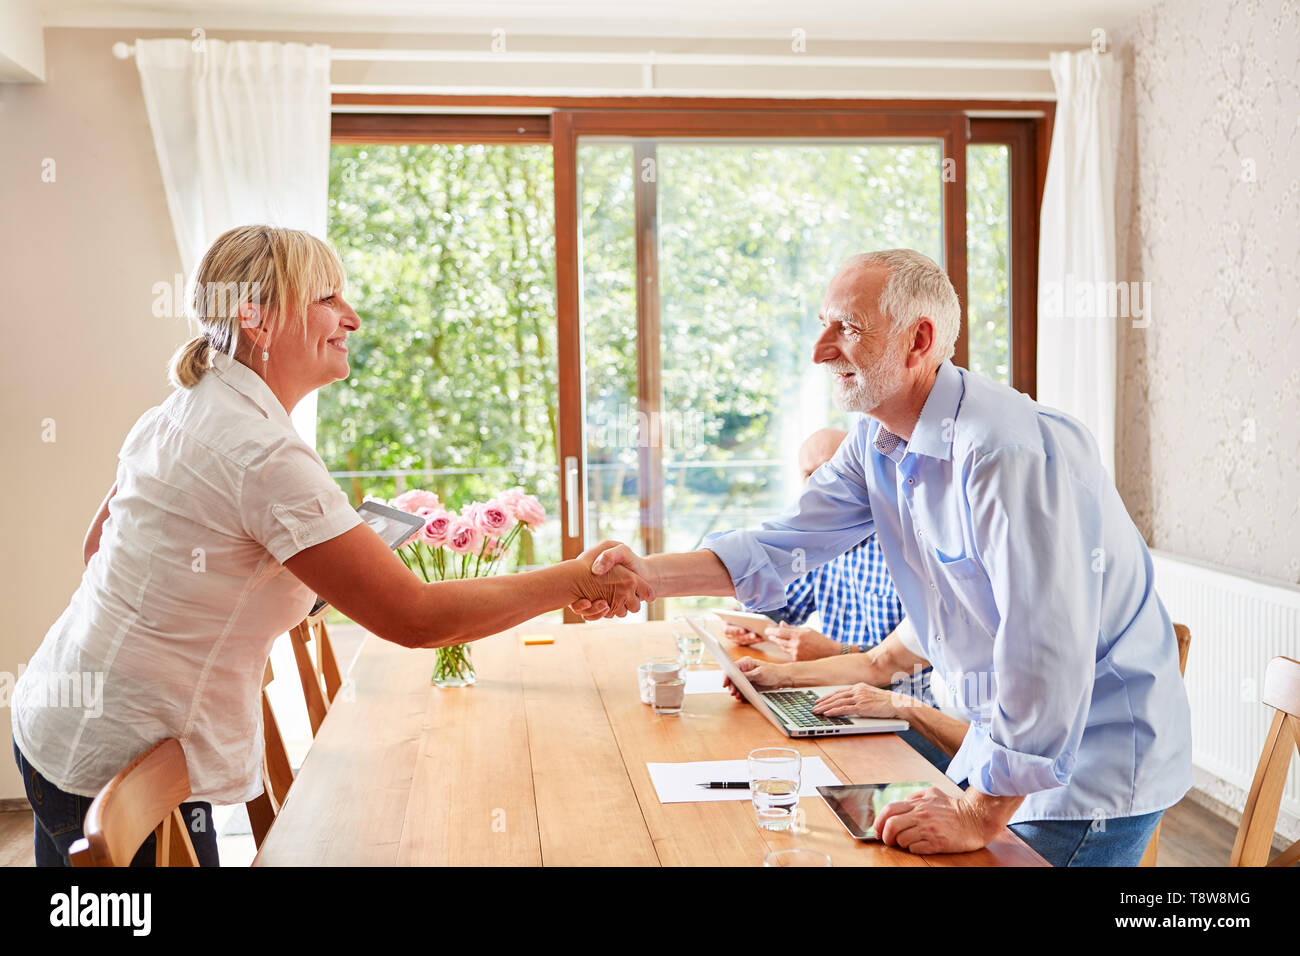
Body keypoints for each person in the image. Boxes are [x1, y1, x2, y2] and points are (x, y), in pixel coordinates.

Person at [11, 224, 652, 867]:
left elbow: (101, 548)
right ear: (255, 319)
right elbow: (415, 617)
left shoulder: (187, 407)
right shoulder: (262, 452)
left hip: (60, 717)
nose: (353, 317)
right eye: (327, 299)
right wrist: (572, 579)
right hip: (117, 758)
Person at [573, 248, 1193, 866]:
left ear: (918, 340)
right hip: (1004, 752)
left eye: (846, 327)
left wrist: (978, 811)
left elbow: (1045, 650)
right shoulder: (878, 438)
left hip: (1086, 773)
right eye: (823, 323)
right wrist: (649, 577)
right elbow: (784, 541)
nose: (819, 349)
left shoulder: (1004, 453)